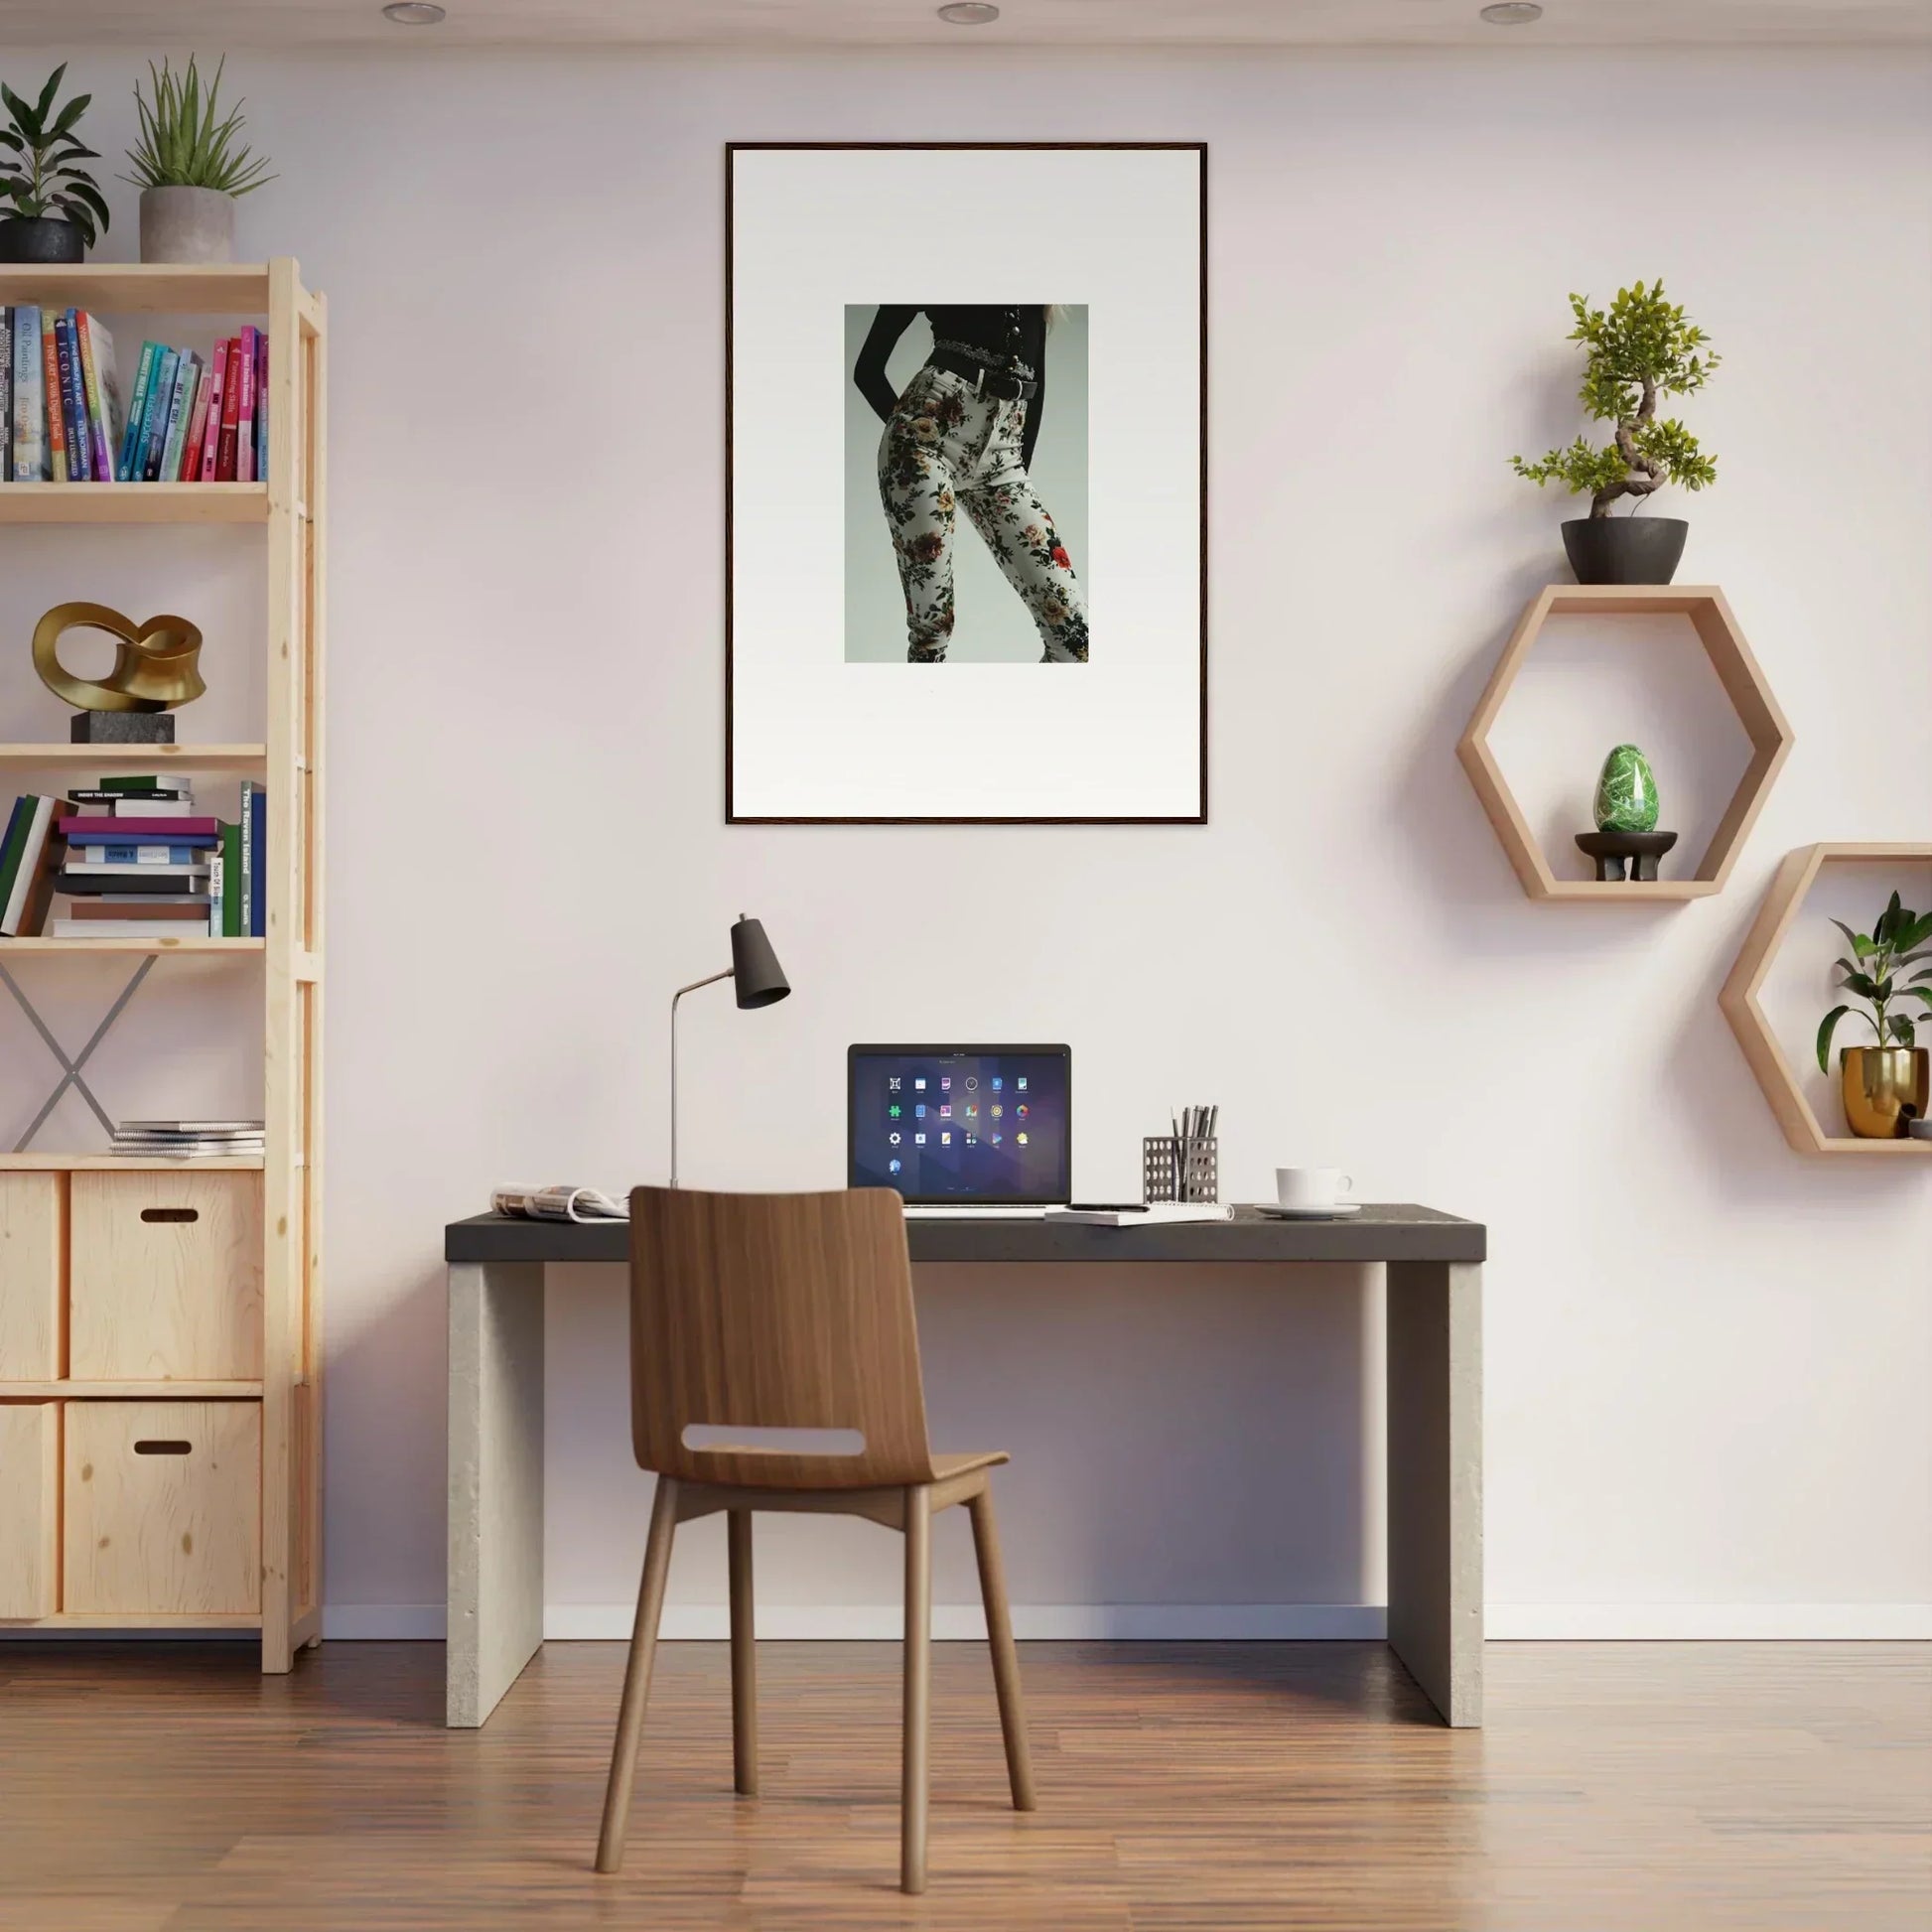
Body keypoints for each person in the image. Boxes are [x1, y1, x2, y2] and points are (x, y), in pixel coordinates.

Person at [854, 305, 1088, 664]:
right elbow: (867, 369)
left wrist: (1014, 469)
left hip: (1004, 455)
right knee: (933, 630)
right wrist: (912, 435)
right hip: (925, 441)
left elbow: (1036, 385)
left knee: (1075, 636)